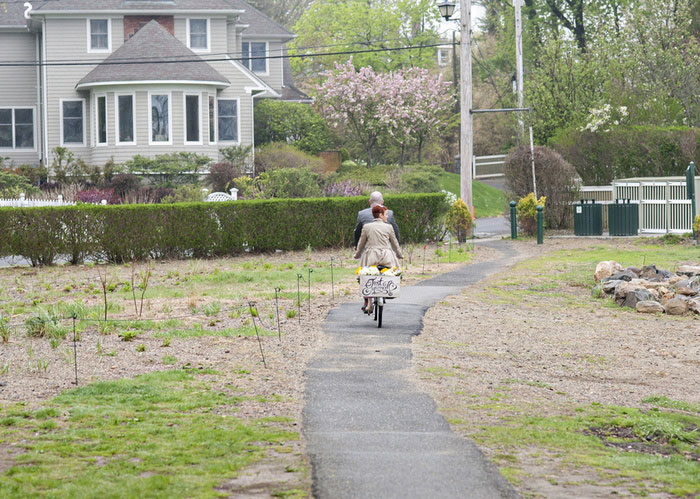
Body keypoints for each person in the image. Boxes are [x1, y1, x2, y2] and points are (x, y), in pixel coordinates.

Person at [354, 204, 404, 314]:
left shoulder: (366, 227)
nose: (387, 217)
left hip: (371, 256)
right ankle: (387, 292)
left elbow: (361, 243)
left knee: (366, 274)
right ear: (380, 215)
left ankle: (369, 302)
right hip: (386, 256)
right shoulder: (389, 227)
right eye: (386, 214)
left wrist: (357, 254)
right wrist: (399, 254)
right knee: (393, 272)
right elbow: (394, 243)